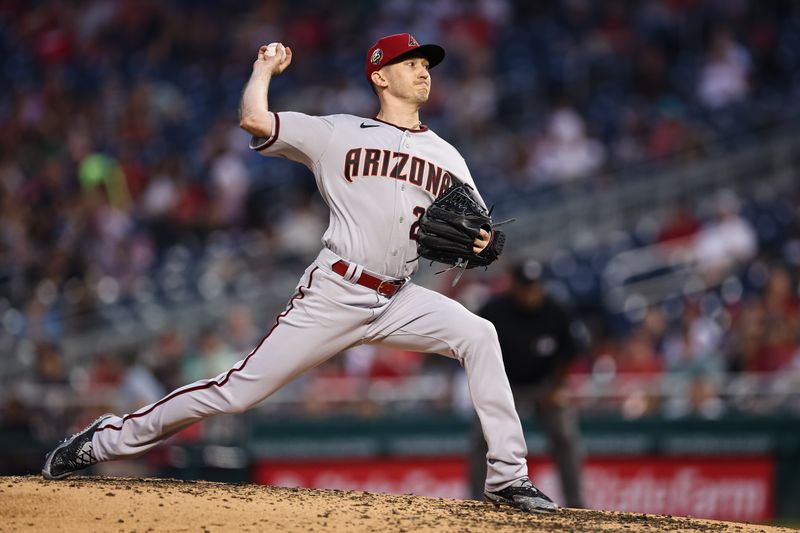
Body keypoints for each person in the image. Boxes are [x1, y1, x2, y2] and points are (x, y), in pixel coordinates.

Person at [41, 33, 557, 514]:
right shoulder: (337, 131)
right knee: (236, 392)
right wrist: (263, 68)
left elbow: (481, 230)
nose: (424, 72)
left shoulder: (446, 155)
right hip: (335, 291)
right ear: (380, 75)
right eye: (412, 64)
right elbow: (254, 120)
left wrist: (488, 242)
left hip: (399, 297)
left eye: (426, 66)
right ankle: (103, 440)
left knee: (480, 334)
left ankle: (507, 476)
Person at [469, 259, 586, 508]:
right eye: (525, 287)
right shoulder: (495, 309)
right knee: (482, 438)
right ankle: (476, 501)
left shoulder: (556, 311)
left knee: (565, 436)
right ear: (514, 286)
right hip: (504, 385)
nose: (531, 292)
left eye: (535, 286)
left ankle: (576, 503)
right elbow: (472, 346)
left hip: (543, 385)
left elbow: (569, 353)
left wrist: (557, 388)